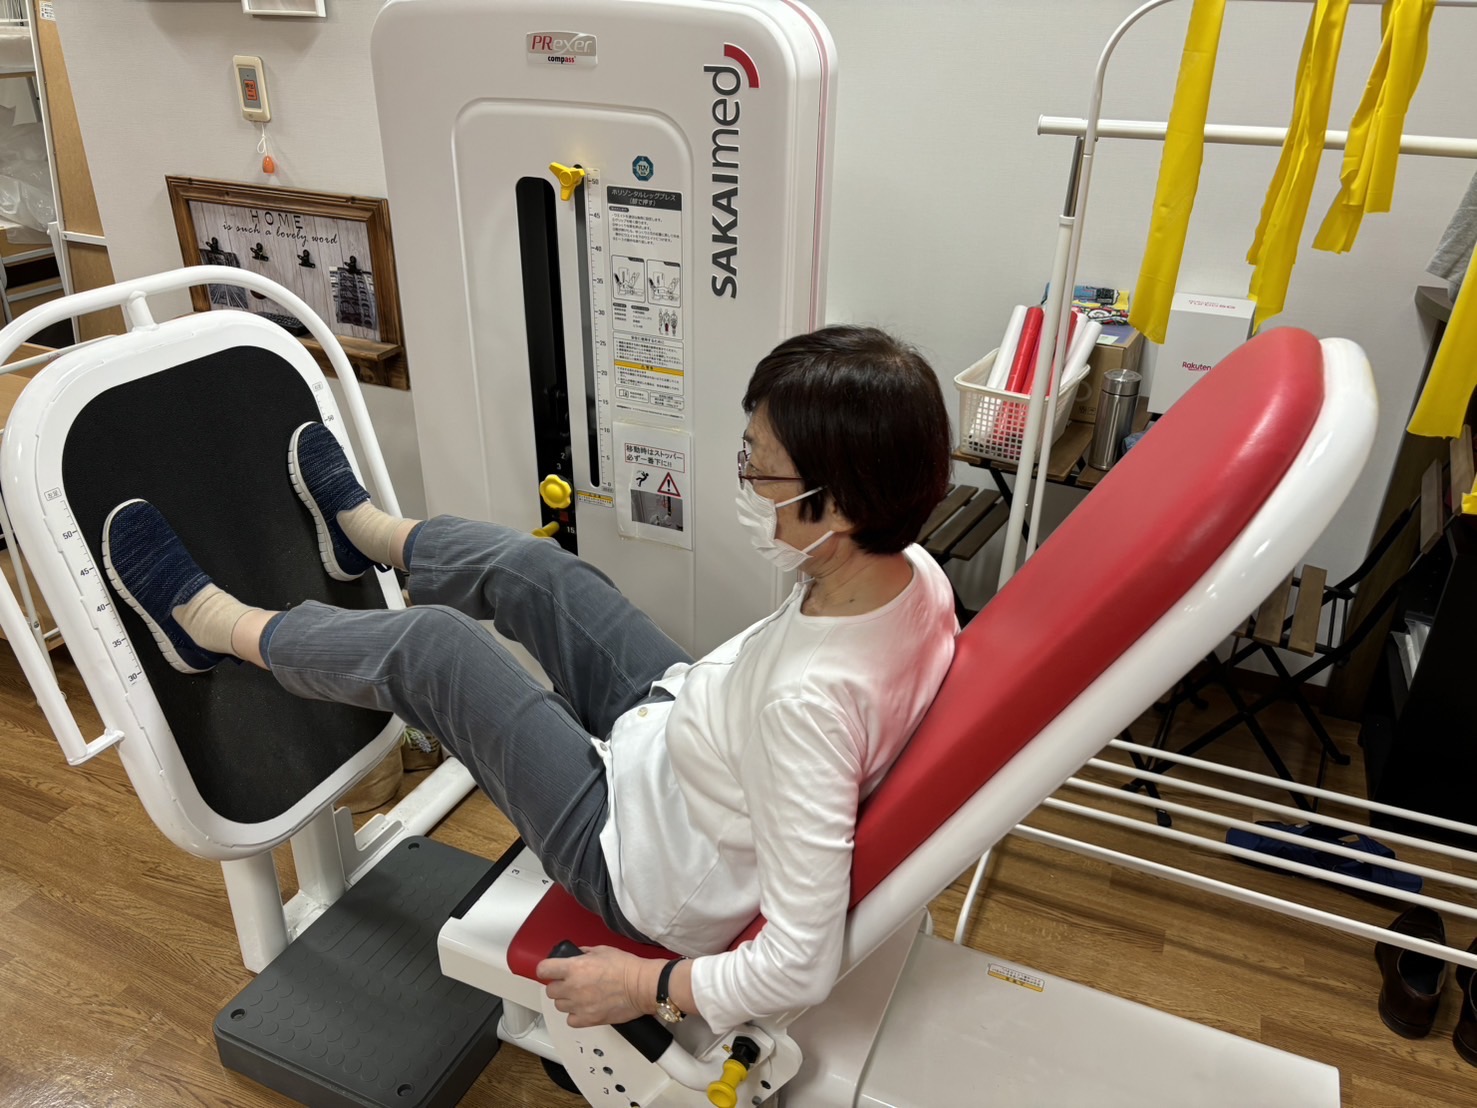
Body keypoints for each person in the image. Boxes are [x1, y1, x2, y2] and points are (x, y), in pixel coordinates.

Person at [100, 324, 958, 1034]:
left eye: (759, 470)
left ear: (842, 507)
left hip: (636, 853)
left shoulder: (808, 709)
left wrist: (644, 987)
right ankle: (367, 534)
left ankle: (206, 628)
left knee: (435, 652)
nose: (744, 483)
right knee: (541, 573)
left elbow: (799, 962)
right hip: (687, 734)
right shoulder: (910, 571)